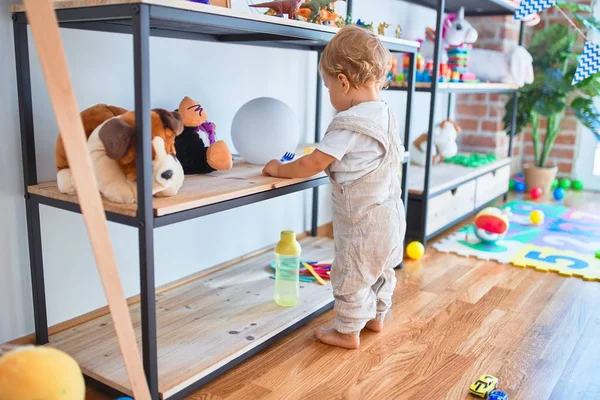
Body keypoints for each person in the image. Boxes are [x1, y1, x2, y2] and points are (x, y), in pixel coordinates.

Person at [262, 25, 406, 349]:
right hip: (392, 215)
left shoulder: (350, 122)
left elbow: (312, 163)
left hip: (363, 223)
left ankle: (346, 331)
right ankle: (377, 317)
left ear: (343, 81)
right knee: (381, 271)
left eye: (328, 87)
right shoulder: (385, 114)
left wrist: (278, 168)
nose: (329, 95)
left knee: (351, 273)